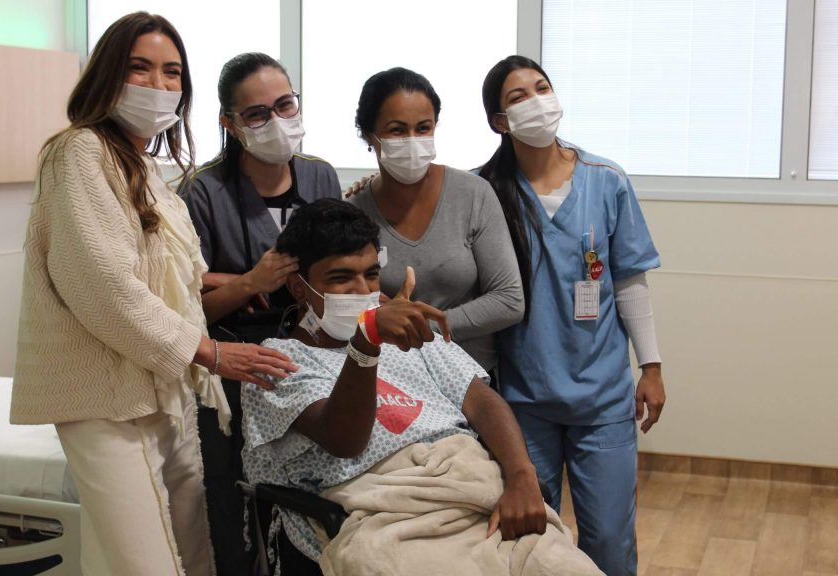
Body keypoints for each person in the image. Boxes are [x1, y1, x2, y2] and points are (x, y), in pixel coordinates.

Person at [9, 13, 296, 575]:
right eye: (139, 69)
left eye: (172, 73)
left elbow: (161, 271)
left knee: (189, 548)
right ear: (107, 74)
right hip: (107, 398)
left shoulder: (141, 165)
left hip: (161, 389)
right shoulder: (79, 154)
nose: (158, 86)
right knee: (146, 563)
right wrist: (212, 352)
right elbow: (105, 288)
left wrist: (210, 291)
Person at [241, 199, 602, 576]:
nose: (362, 290)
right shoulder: (274, 363)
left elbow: (481, 401)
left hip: (474, 488)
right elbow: (344, 439)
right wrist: (366, 343)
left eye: (371, 275)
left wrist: (522, 477)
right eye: (340, 278)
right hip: (386, 513)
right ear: (299, 288)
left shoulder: (411, 336)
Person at [477, 55, 666, 576]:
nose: (537, 102)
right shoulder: (484, 191)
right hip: (522, 401)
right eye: (519, 96)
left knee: (608, 541)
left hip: (601, 398)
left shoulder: (606, 181)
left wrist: (650, 367)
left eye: (543, 88)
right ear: (499, 120)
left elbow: (629, 281)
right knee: (530, 543)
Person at [182, 52, 340, 575]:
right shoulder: (204, 192)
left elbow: (337, 273)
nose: (275, 121)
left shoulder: (320, 178)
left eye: (284, 104)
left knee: (308, 485)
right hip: (230, 357)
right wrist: (251, 282)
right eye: (256, 114)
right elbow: (186, 311)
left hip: (308, 354)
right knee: (231, 493)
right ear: (229, 123)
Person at [347, 67, 523, 374]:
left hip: (471, 381)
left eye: (424, 128)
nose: (413, 140)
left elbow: (509, 300)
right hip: (391, 384)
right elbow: (342, 307)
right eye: (397, 130)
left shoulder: (472, 195)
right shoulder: (352, 213)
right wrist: (376, 318)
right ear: (368, 135)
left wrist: (417, 324)